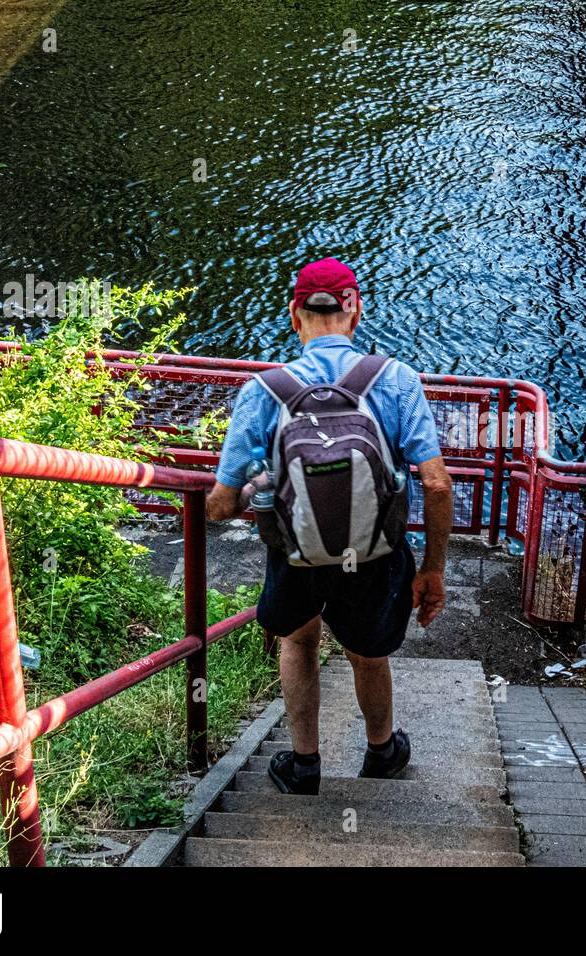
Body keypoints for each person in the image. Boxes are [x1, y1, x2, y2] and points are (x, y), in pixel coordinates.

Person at [206, 257, 453, 795]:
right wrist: (432, 570)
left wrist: (227, 497)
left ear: (294, 316)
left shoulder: (263, 391)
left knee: (298, 640)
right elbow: (436, 484)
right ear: (355, 310)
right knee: (369, 654)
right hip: (376, 552)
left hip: (296, 553)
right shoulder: (395, 379)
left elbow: (222, 505)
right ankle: (383, 751)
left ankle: (303, 765)